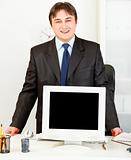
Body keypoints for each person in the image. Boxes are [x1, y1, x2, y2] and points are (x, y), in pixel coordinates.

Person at [6, 2, 122, 136]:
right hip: (48, 125)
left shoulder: (93, 50)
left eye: (68, 20)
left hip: (85, 123)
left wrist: (113, 125)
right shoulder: (38, 53)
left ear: (75, 22)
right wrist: (16, 124)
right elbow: (29, 91)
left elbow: (103, 89)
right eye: (58, 21)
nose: (64, 26)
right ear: (51, 25)